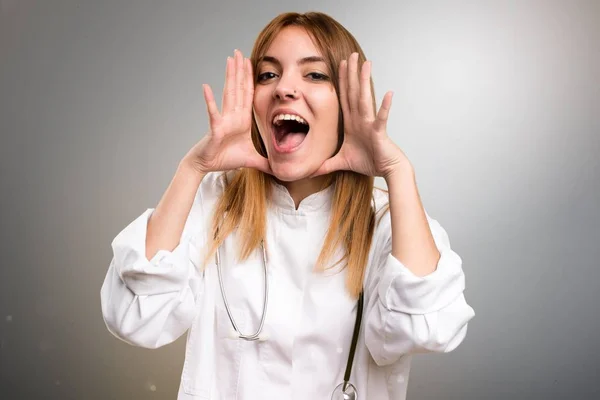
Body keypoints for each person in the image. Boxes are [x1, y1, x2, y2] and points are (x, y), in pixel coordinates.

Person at [100, 11, 475, 400]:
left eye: (314, 75)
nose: (284, 89)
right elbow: (135, 320)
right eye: (268, 75)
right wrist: (193, 167)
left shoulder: (385, 220)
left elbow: (429, 329)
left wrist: (397, 171)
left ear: (349, 104)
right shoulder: (215, 201)